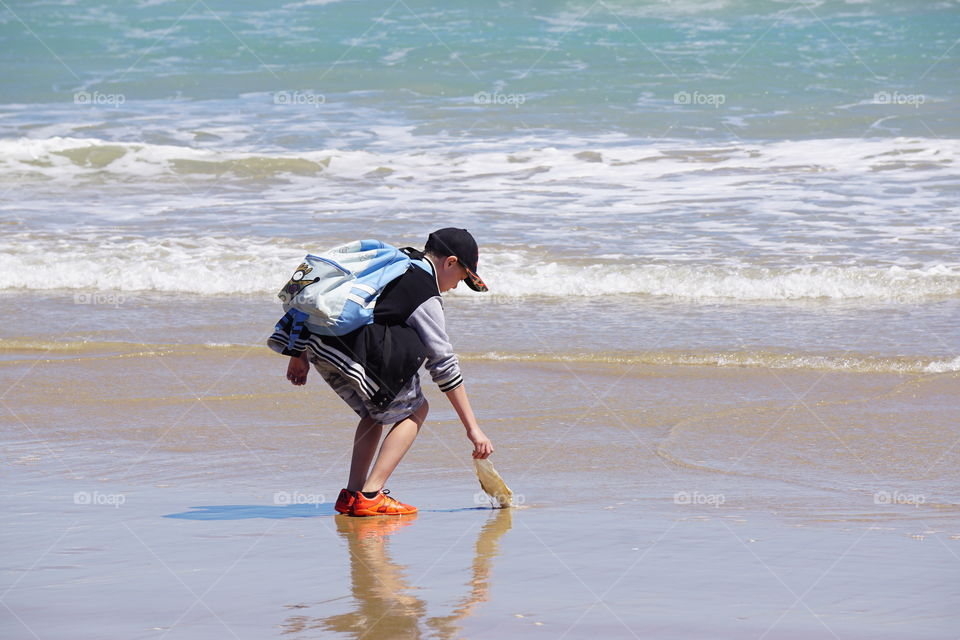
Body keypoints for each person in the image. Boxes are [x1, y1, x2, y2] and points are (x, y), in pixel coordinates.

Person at [268, 228, 494, 517]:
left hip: (317, 345)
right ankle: (372, 495)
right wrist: (473, 429)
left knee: (374, 413)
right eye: (462, 277)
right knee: (416, 409)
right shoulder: (424, 291)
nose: (456, 286)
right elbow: (443, 362)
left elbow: (321, 296)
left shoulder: (397, 262)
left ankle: (352, 495)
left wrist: (297, 353)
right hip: (350, 352)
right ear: (450, 262)